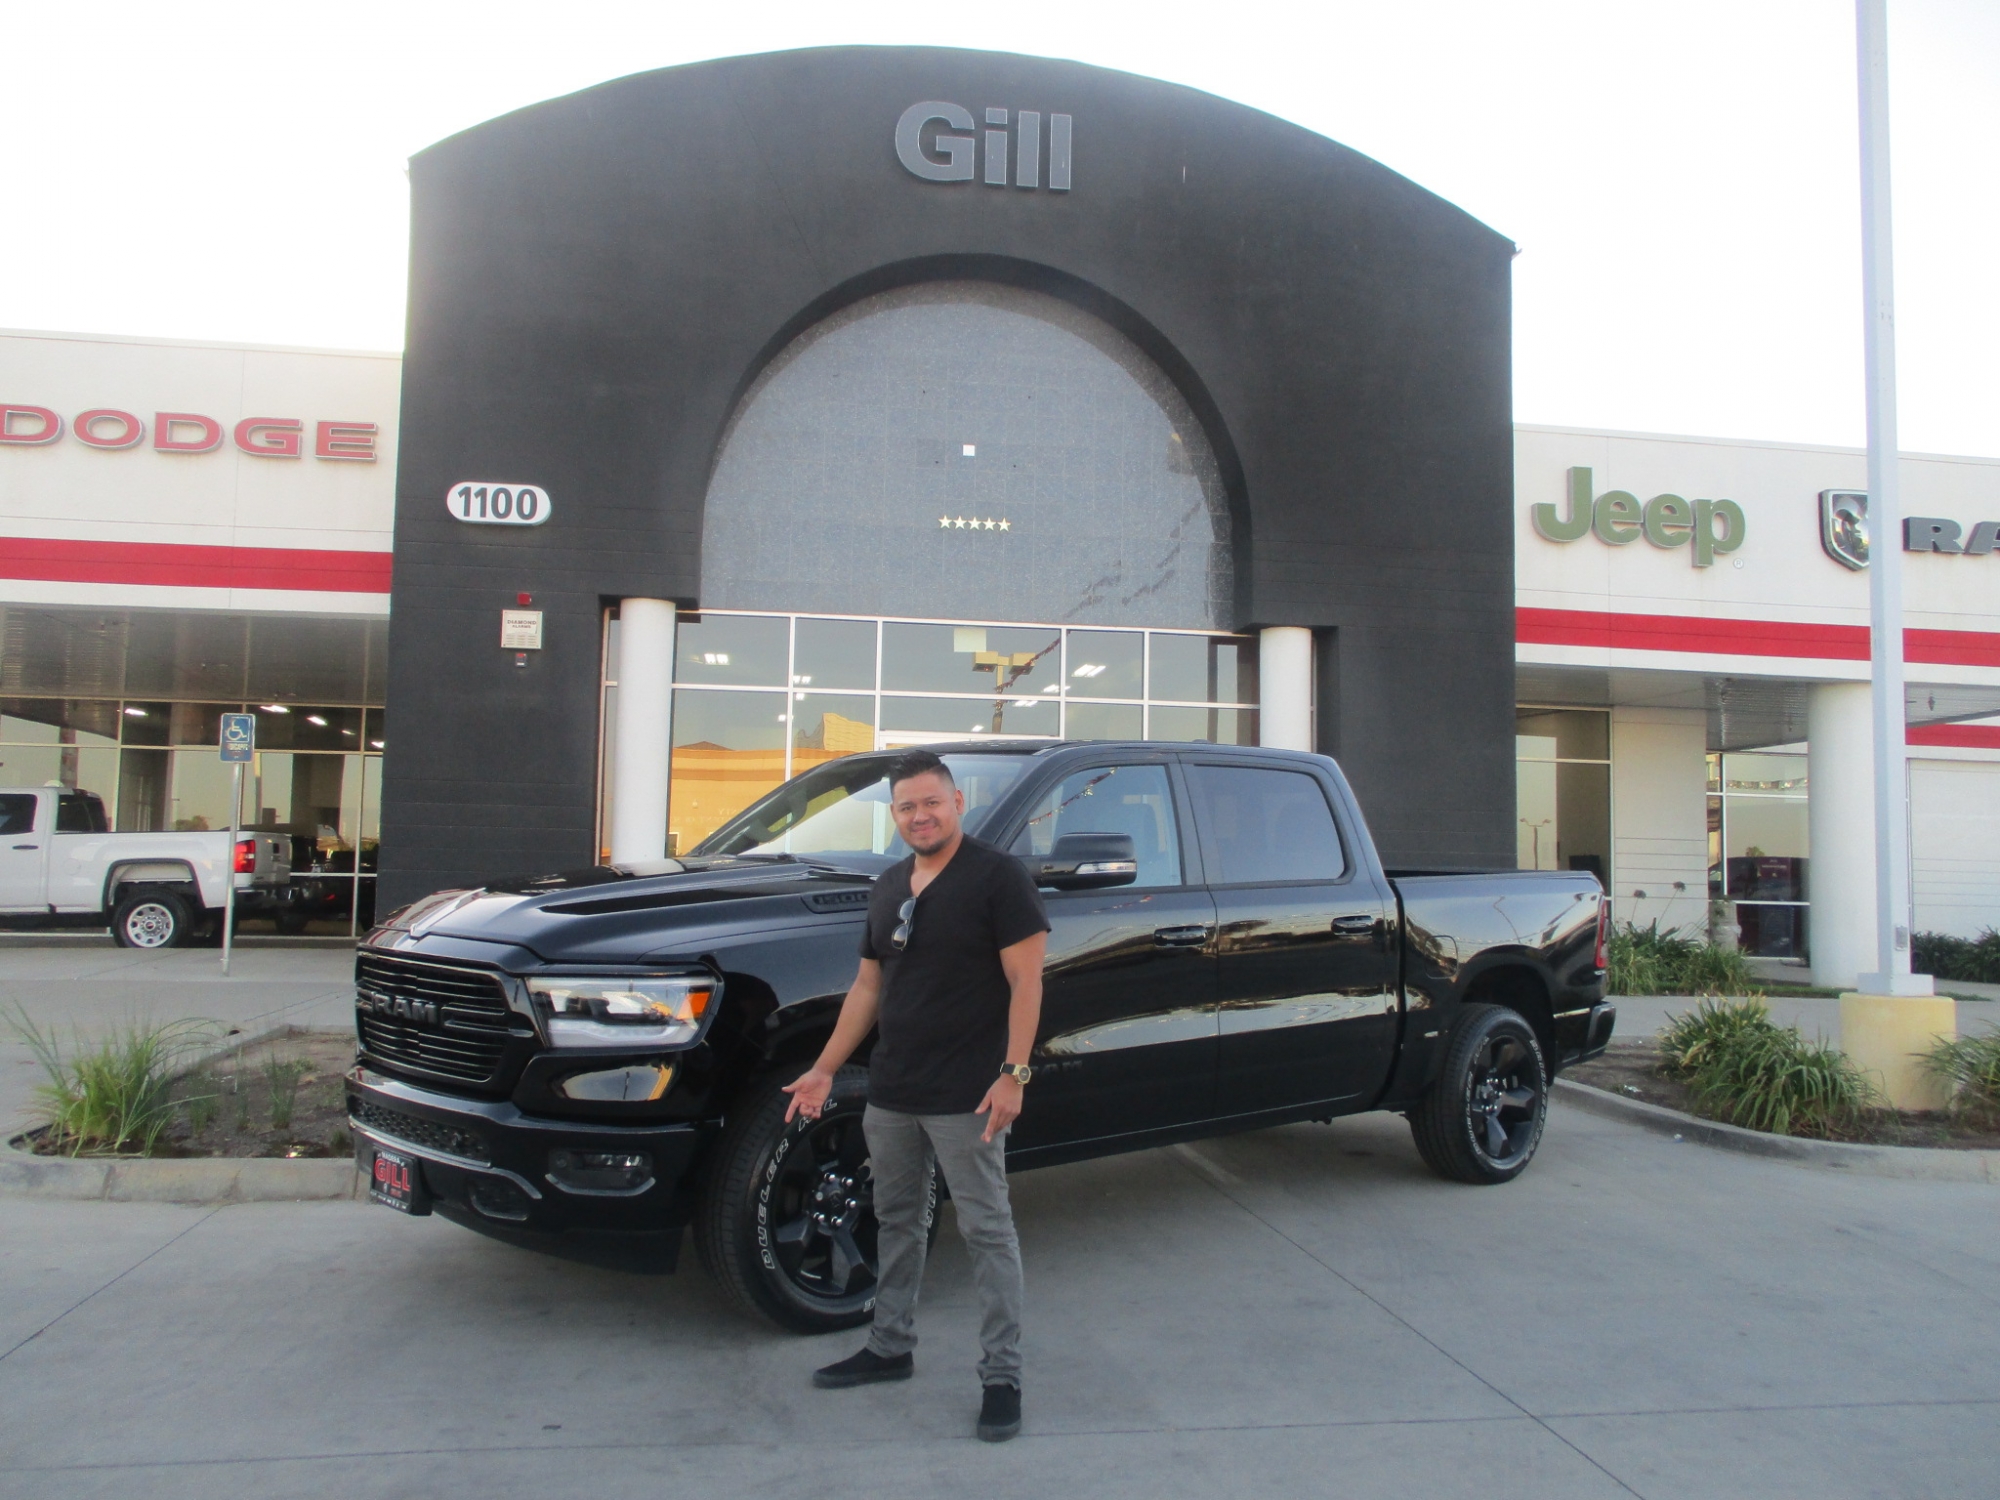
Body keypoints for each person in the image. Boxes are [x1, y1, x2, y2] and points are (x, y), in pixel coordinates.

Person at [783, 748, 1049, 1443]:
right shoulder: (889, 885)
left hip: (969, 1095)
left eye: (932, 802)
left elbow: (1027, 982)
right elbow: (867, 988)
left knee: (987, 1231)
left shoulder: (998, 878)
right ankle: (889, 1345)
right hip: (893, 1090)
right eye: (907, 806)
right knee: (896, 1221)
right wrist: (824, 1069)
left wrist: (1015, 1074)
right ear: (894, 814)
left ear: (956, 803)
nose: (920, 816)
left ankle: (1002, 1378)